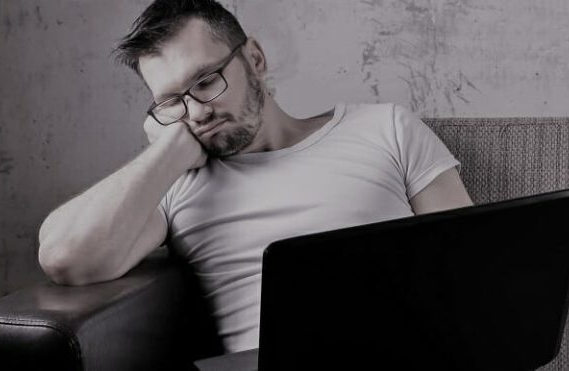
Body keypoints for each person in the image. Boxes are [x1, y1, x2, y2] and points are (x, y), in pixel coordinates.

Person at [37, 0, 473, 353]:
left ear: (255, 59)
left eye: (205, 81)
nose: (197, 112)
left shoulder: (386, 129)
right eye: (171, 101)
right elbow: (65, 257)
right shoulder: (175, 184)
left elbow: (472, 269)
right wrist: (168, 151)